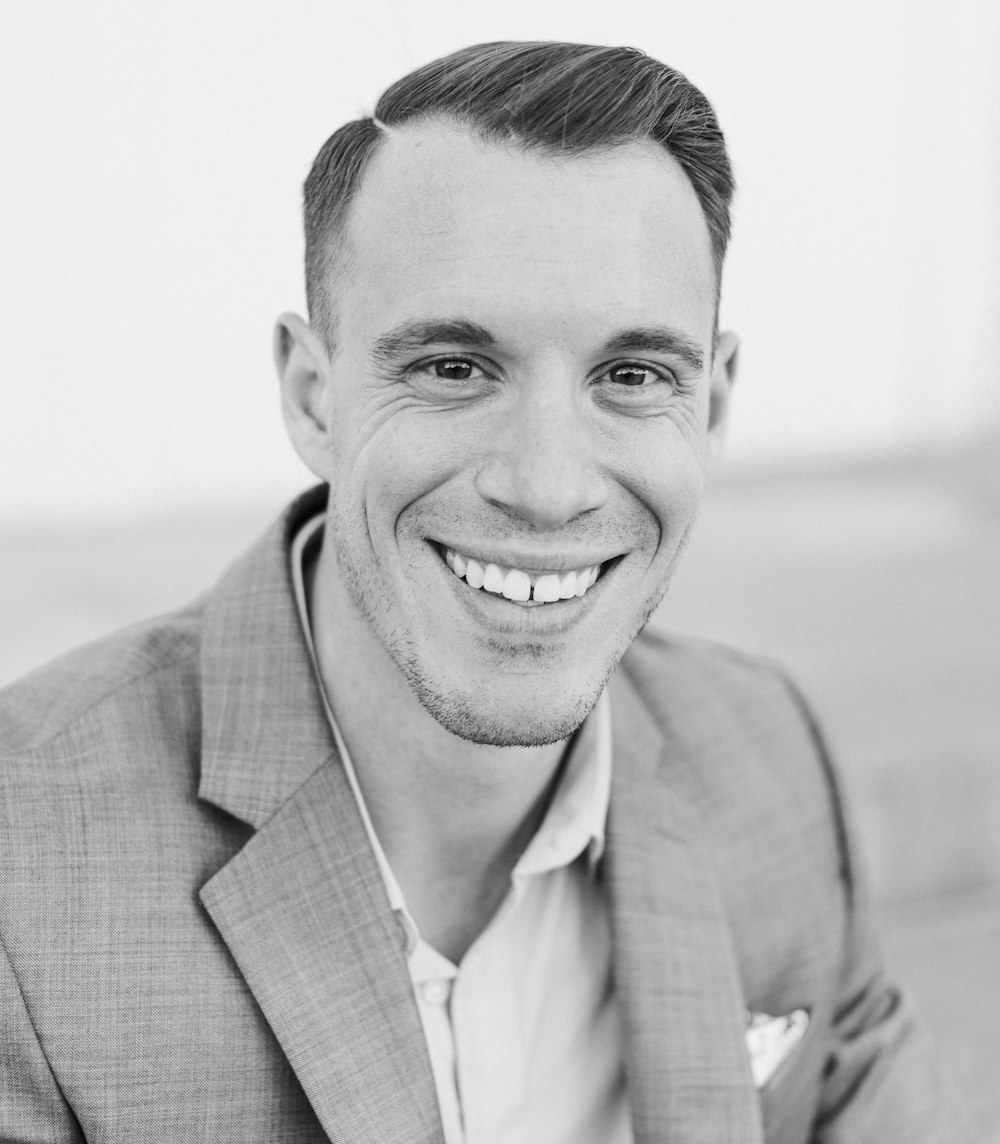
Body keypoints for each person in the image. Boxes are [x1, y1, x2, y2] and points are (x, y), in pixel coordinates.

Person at [0, 40, 974, 1144]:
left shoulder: (768, 754)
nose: (547, 487)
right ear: (313, 396)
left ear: (710, 405)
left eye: (633, 375)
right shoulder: (23, 866)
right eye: (453, 368)